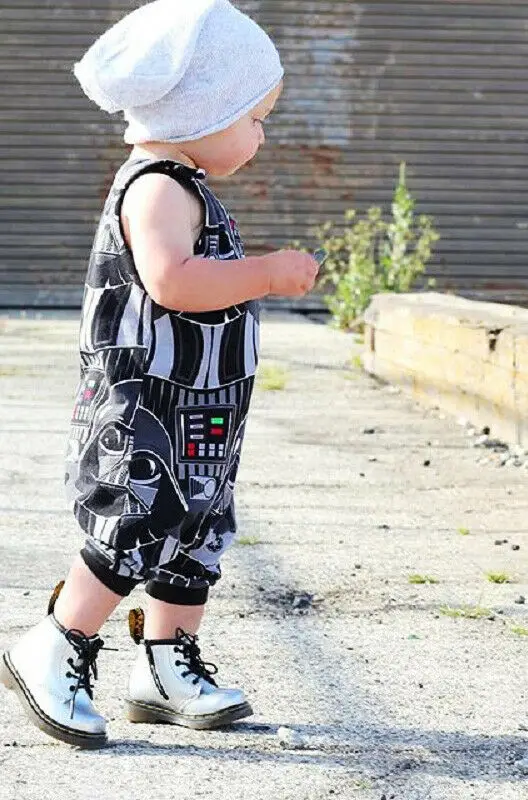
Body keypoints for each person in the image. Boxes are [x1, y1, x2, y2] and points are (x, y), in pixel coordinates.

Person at [0, 0, 319, 749]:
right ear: (201, 110)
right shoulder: (157, 187)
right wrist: (267, 273)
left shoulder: (188, 186)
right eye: (255, 118)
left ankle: (167, 662)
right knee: (137, 519)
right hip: (144, 406)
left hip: (201, 410)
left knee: (196, 529)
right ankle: (56, 640)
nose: (262, 135)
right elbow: (172, 281)